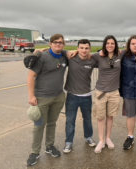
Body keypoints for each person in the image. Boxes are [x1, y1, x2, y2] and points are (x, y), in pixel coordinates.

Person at [26, 34, 68, 166]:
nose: (58, 44)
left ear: (63, 44)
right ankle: (34, 152)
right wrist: (31, 96)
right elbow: (31, 76)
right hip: (42, 98)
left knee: (52, 123)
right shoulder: (42, 57)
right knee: (39, 125)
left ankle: (49, 146)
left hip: (58, 96)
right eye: (55, 42)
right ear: (50, 43)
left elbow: (76, 52)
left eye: (61, 43)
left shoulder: (64, 56)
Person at [63, 39, 97, 153]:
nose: (84, 50)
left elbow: (106, 56)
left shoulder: (92, 60)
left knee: (87, 119)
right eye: (81, 48)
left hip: (86, 96)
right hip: (72, 96)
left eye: (86, 48)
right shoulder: (71, 58)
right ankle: (68, 142)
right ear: (77, 48)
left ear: (89, 49)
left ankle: (88, 137)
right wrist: (38, 50)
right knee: (70, 120)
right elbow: (56, 50)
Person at [92, 35, 122, 153]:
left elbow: (135, 49)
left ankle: (108, 138)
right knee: (100, 117)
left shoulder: (120, 55)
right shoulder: (98, 56)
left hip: (114, 92)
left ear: (115, 45)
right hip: (101, 92)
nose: (110, 45)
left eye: (112, 43)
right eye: (108, 43)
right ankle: (101, 140)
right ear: (104, 45)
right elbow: (84, 54)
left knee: (110, 116)